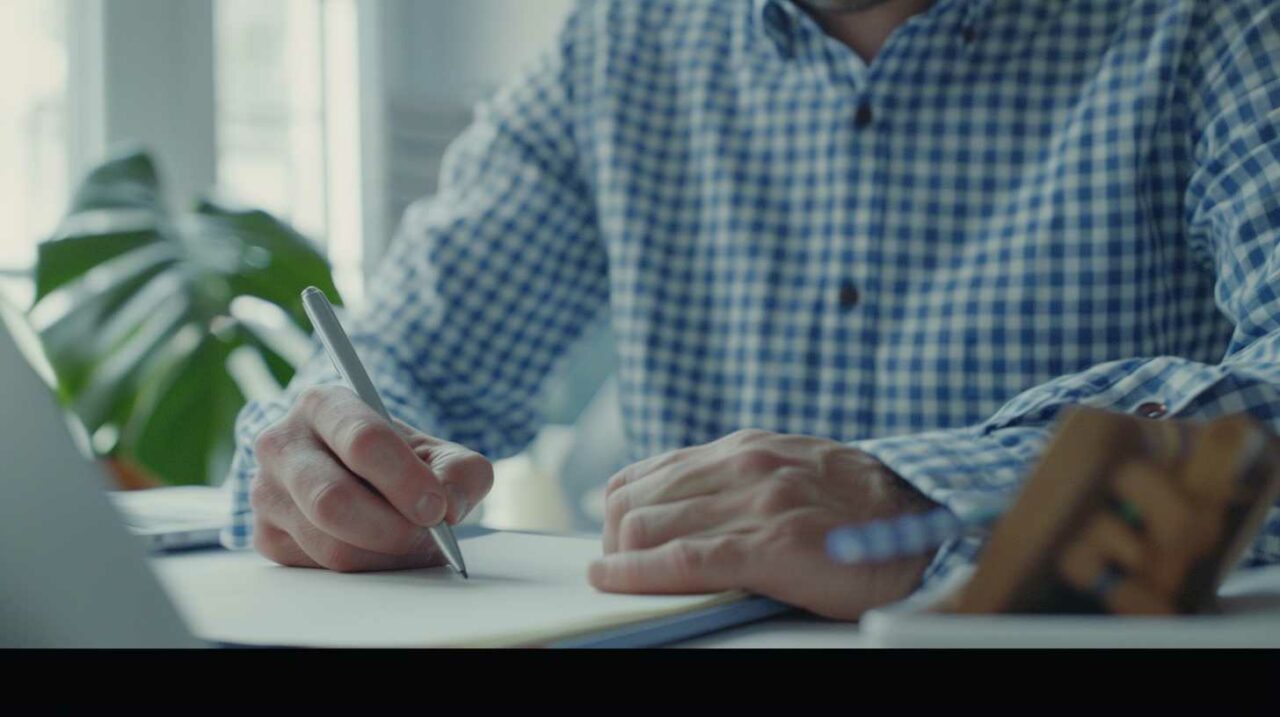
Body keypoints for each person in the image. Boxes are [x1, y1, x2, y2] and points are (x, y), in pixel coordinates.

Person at [227, 0, 1280, 620]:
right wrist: (328, 464)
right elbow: (407, 363)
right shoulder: (624, 41)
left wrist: (925, 503)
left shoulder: (1214, 26)